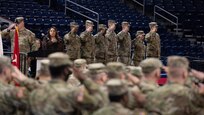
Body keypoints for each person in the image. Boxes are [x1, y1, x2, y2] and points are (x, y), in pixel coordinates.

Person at [28, 52, 105, 115]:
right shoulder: (73, 93)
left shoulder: (35, 93)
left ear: (49, 70)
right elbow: (100, 101)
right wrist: (84, 80)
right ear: (66, 71)